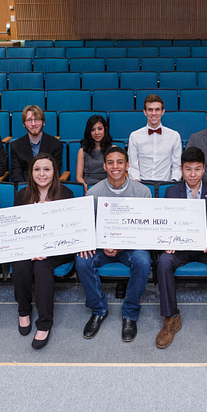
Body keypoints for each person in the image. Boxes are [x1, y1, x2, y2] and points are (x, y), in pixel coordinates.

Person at [155, 147, 207, 351]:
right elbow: (164, 222)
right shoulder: (171, 192)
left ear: (204, 169)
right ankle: (171, 317)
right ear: (181, 170)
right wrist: (168, 241)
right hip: (180, 247)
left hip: (206, 246)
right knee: (163, 261)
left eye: (197, 169)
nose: (192, 174)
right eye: (188, 169)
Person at [75, 146, 152, 342]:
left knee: (143, 260)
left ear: (127, 165)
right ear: (104, 166)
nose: (115, 166)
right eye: (110, 162)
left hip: (130, 247)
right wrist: (101, 243)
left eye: (120, 162)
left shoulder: (142, 192)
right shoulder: (93, 192)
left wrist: (122, 245)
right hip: (102, 246)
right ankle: (99, 309)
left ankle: (130, 312)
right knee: (82, 261)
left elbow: (146, 228)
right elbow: (88, 225)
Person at [12, 153, 75, 349]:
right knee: (21, 264)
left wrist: (48, 248)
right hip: (30, 247)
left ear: (54, 172)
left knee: (41, 267)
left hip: (59, 248)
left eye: (47, 169)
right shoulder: (22, 195)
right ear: (31, 172)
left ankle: (45, 323)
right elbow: (17, 229)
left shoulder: (66, 194)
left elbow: (70, 231)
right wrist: (30, 248)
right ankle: (24, 311)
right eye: (37, 169)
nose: (42, 174)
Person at [127, 94, 182, 182]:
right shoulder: (134, 136)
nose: (153, 113)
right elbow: (133, 166)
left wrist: (173, 182)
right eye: (150, 110)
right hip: (142, 183)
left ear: (163, 111)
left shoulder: (174, 136)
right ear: (144, 112)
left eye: (157, 109)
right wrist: (138, 183)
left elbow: (176, 166)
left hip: (166, 184)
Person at [10, 105, 64, 183]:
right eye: (29, 120)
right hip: (25, 188)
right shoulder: (16, 146)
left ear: (43, 122)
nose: (33, 124)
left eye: (37, 119)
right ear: (24, 124)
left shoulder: (55, 144)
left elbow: (55, 172)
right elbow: (16, 173)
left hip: (48, 188)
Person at [76, 114, 114, 190]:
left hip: (108, 186)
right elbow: (79, 176)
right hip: (89, 186)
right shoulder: (82, 151)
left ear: (105, 129)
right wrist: (84, 185)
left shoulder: (113, 150)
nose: (97, 133)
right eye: (93, 130)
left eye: (100, 129)